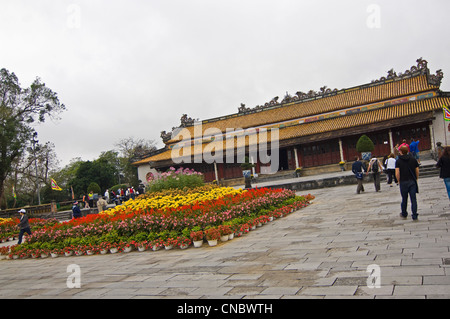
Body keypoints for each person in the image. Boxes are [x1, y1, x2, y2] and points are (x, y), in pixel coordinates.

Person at [395, 145, 420, 221]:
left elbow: (397, 172)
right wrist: (416, 178)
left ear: (401, 152)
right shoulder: (413, 159)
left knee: (404, 198)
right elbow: (417, 170)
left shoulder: (398, 161)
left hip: (403, 181)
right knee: (413, 199)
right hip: (412, 180)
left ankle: (404, 213)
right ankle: (414, 214)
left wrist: (398, 180)